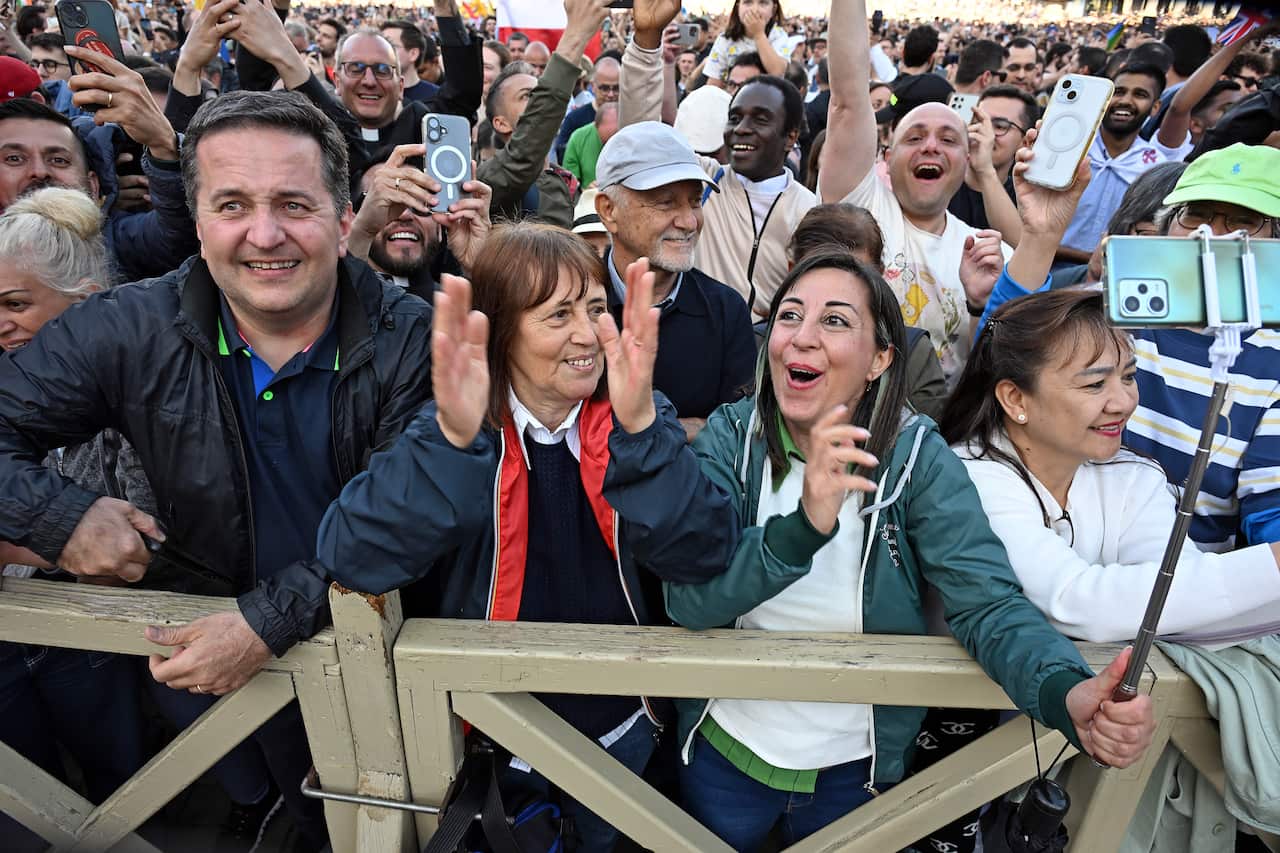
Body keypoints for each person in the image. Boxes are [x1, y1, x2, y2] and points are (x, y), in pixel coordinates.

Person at [0, 90, 437, 851]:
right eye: (232, 203)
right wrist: (59, 517)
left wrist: (269, 619)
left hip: (395, 669)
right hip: (216, 668)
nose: (264, 234)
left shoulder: (417, 341)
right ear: (197, 224)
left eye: (293, 204)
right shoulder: (127, 326)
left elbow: (412, 511)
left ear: (343, 220)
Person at [657, 248, 1156, 851]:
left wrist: (1064, 690)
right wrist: (803, 527)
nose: (802, 338)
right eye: (789, 317)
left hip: (857, 768)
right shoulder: (731, 438)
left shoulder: (917, 457)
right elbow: (689, 601)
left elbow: (987, 604)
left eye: (835, 321)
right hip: (723, 751)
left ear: (880, 359)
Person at [313, 226, 740, 852]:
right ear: (502, 332)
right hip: (489, 736)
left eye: (596, 308)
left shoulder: (639, 416)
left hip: (622, 728)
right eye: (557, 314)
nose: (589, 333)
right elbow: (352, 557)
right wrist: (448, 445)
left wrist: (643, 429)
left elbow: (704, 553)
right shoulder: (456, 426)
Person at [979, 141, 1280, 553]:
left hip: (1188, 591)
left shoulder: (1273, 363)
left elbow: (1270, 513)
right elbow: (997, 357)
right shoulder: (1107, 308)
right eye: (1196, 215)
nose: (1213, 234)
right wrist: (1040, 235)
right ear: (1166, 226)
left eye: (1245, 221)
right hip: (1057, 547)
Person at [945, 287, 1280, 645]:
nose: (1123, 402)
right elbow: (1074, 603)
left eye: (1129, 377)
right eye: (1094, 384)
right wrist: (1271, 565)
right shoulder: (970, 476)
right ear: (1014, 398)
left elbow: (1188, 597)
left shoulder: (1133, 476)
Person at [0, 187, 148, 853]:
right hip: (11, 645)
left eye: (15, 304)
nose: (0, 322)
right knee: (25, 802)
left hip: (95, 645)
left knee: (122, 794)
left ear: (83, 301)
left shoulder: (134, 390)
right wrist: (59, 540)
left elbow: (142, 540)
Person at [819, 0, 1011, 385]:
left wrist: (979, 305)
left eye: (948, 139)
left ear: (966, 160)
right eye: (915, 136)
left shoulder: (991, 256)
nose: (931, 147)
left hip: (938, 434)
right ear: (887, 158)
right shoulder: (860, 207)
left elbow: (994, 375)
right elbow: (846, 101)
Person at [622, 0, 818, 318]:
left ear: (791, 137)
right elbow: (637, 143)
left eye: (760, 119)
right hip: (696, 344)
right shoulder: (701, 181)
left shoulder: (807, 211)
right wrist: (647, 43)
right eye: (735, 118)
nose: (741, 129)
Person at [594, 121, 755, 437]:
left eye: (695, 201)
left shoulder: (725, 311)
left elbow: (739, 436)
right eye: (666, 202)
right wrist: (684, 429)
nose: (688, 221)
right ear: (608, 210)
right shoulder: (575, 300)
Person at [0, 65, 198, 284]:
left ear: (93, 185)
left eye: (59, 160)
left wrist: (163, 146)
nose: (39, 172)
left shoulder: (118, 241)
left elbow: (178, 235)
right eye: (14, 159)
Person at [787, 202, 947, 421]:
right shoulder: (762, 344)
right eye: (815, 274)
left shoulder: (912, 355)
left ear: (879, 277)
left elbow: (925, 443)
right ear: (791, 270)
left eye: (854, 276)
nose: (832, 294)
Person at [478, 0, 609, 228]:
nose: (541, 102)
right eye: (529, 96)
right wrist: (576, 33)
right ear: (501, 123)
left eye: (542, 92)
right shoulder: (487, 181)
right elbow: (526, 150)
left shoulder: (563, 181)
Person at [1058, 61, 1193, 263]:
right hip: (1047, 267)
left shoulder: (1154, 167)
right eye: (1118, 92)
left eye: (1140, 94)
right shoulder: (1068, 148)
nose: (1125, 101)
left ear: (1155, 107)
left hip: (1111, 273)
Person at [348, 142, 493, 299]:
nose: (405, 215)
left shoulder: (458, 303)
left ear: (440, 229)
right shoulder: (331, 302)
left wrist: (479, 270)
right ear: (354, 217)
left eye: (421, 202)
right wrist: (360, 234)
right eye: (389, 203)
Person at [947, 84, 1036, 234]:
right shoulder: (941, 177)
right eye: (978, 121)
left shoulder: (1027, 195)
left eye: (1000, 126)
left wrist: (985, 170)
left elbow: (1023, 248)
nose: (985, 131)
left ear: (1025, 142)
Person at [702, 0, 790, 87]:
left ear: (773, 9)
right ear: (738, 7)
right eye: (748, 2)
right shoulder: (725, 39)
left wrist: (758, 34)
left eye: (763, 3)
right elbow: (714, 83)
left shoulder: (778, 35)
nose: (755, 10)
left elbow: (777, 72)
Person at [554, 55, 620, 164]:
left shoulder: (629, 117)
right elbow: (564, 159)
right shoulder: (574, 119)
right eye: (604, 88)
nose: (611, 94)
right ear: (593, 86)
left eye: (616, 88)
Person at [381, 19, 439, 103]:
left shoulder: (435, 98)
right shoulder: (371, 92)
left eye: (391, 46)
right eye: (381, 45)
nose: (381, 51)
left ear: (413, 54)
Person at [563, 100, 618, 186]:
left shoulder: (634, 138)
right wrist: (586, 192)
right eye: (605, 142)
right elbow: (570, 187)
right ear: (595, 127)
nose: (608, 147)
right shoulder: (578, 138)